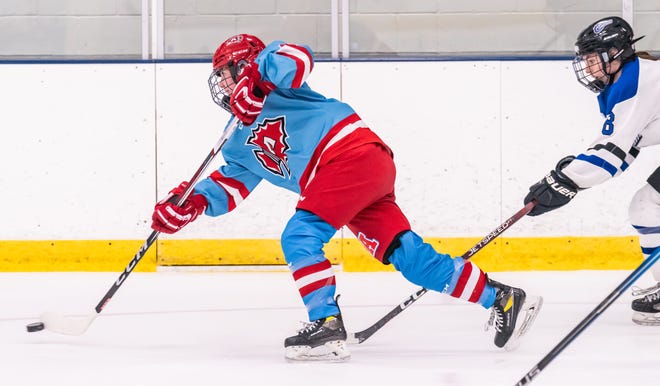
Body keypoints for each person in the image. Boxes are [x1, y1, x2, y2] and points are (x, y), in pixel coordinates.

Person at [151, 33, 542, 360]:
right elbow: (230, 185)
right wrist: (190, 203)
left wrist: (259, 77)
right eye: (219, 77)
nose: (222, 83)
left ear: (245, 65)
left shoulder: (275, 75)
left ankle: (325, 324)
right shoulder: (235, 140)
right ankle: (503, 299)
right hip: (351, 179)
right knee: (408, 257)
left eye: (227, 73)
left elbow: (298, 59)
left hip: (349, 155)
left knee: (299, 235)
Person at [523, 16, 660, 325]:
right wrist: (568, 179)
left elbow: (610, 153)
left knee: (648, 207)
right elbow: (623, 153)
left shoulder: (635, 81)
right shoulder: (634, 78)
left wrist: (564, 181)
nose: (587, 66)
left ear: (614, 54)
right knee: (645, 208)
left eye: (591, 58)